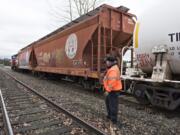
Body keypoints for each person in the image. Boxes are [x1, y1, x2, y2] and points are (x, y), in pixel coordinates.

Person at [103, 56, 122, 124]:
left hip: (113, 90)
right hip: (112, 90)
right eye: (107, 61)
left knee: (113, 105)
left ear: (111, 62)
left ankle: (113, 120)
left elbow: (112, 82)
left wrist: (107, 90)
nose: (106, 63)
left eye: (107, 61)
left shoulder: (113, 69)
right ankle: (110, 116)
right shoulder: (112, 68)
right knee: (109, 103)